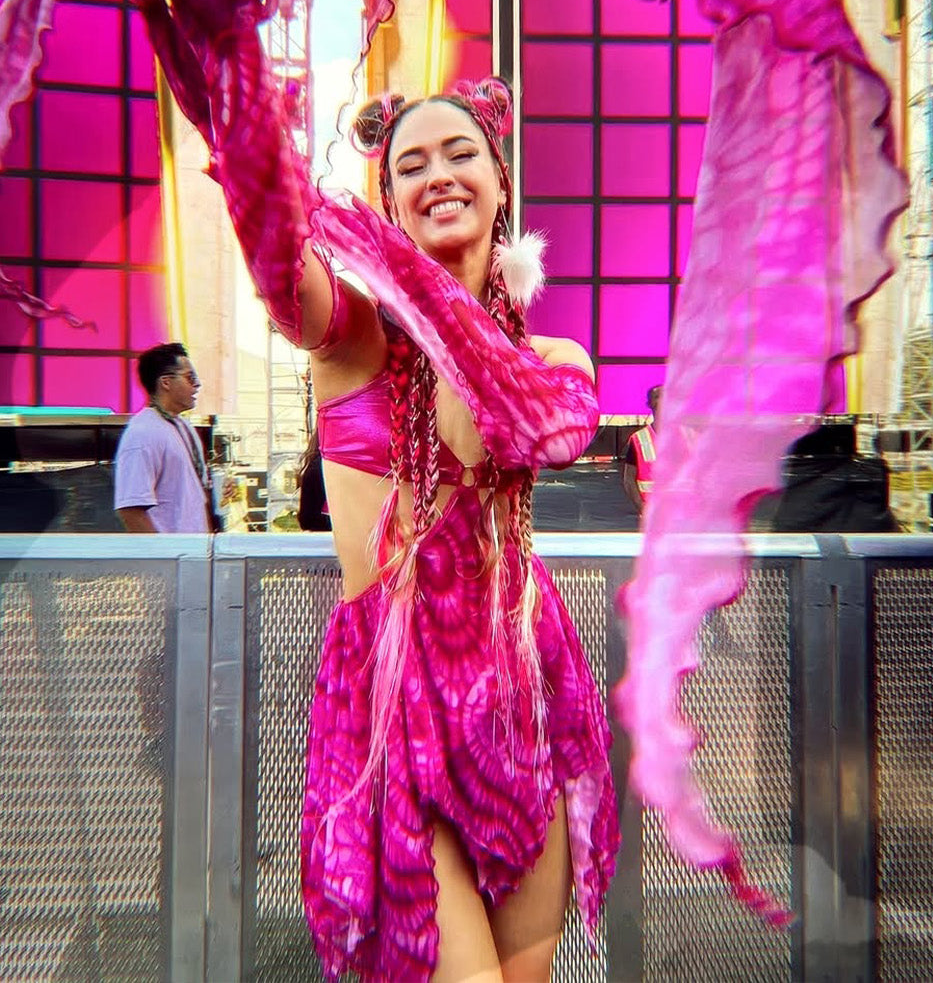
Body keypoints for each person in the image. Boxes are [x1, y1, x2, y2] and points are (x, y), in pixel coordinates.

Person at [284, 78, 618, 982]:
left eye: (462, 154)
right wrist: (237, 128)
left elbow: (538, 430)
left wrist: (420, 280)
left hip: (522, 697)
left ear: (502, 183)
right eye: (411, 164)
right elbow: (284, 278)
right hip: (397, 705)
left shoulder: (554, 360)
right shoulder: (353, 340)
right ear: (389, 200)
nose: (439, 174)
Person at [114, 342, 212, 535]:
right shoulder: (143, 433)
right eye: (190, 378)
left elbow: (197, 500)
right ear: (166, 382)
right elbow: (131, 509)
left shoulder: (184, 427)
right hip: (171, 553)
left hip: (195, 551)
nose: (197, 385)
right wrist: (161, 553)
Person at [622, 385, 662, 523]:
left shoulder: (686, 436)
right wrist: (642, 508)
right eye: (658, 397)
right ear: (650, 404)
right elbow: (629, 479)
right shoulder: (638, 439)